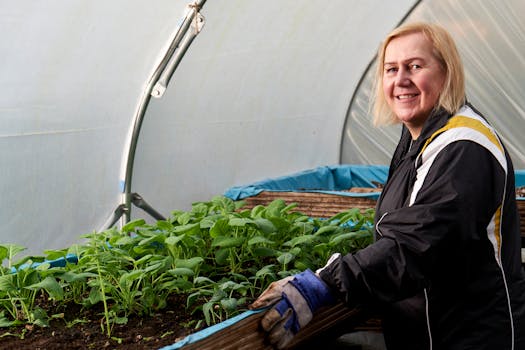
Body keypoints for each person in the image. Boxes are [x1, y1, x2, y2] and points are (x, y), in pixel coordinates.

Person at [250, 22, 525, 350]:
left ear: (447, 73)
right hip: (430, 331)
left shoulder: (464, 147)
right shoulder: (419, 137)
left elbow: (415, 246)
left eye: (415, 66)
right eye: (391, 69)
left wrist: (324, 283)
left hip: (469, 336)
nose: (401, 80)